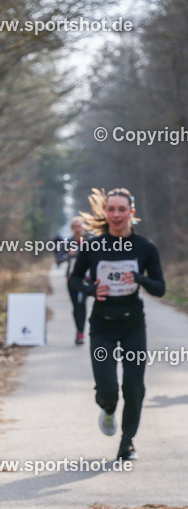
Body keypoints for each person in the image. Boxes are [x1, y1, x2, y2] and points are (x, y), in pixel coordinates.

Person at [68, 188, 165, 460]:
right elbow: (74, 279)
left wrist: (139, 278)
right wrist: (91, 290)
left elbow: (160, 288)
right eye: (111, 209)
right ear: (105, 212)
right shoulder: (93, 246)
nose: (117, 214)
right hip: (102, 326)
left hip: (133, 325)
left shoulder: (145, 247)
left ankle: (127, 442)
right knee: (108, 390)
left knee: (134, 388)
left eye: (122, 209)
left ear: (131, 212)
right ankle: (108, 408)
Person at [54, 218, 87, 345]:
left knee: (81, 303)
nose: (78, 229)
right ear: (72, 229)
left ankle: (81, 332)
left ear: (83, 227)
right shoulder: (67, 242)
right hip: (72, 278)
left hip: (86, 279)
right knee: (76, 306)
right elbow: (58, 259)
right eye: (75, 227)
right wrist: (69, 255)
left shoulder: (90, 242)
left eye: (79, 226)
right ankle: (79, 330)